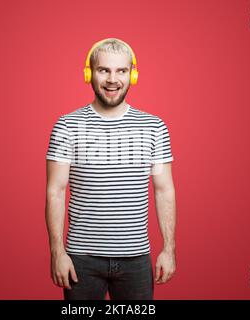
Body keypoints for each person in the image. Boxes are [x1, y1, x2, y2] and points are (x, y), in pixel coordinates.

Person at [45, 38, 176, 300]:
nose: (112, 79)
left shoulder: (154, 127)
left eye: (121, 71)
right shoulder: (67, 126)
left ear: (133, 75)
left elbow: (164, 191)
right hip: (81, 261)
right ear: (89, 74)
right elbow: (56, 192)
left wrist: (169, 248)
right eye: (104, 70)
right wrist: (57, 253)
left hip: (136, 260)